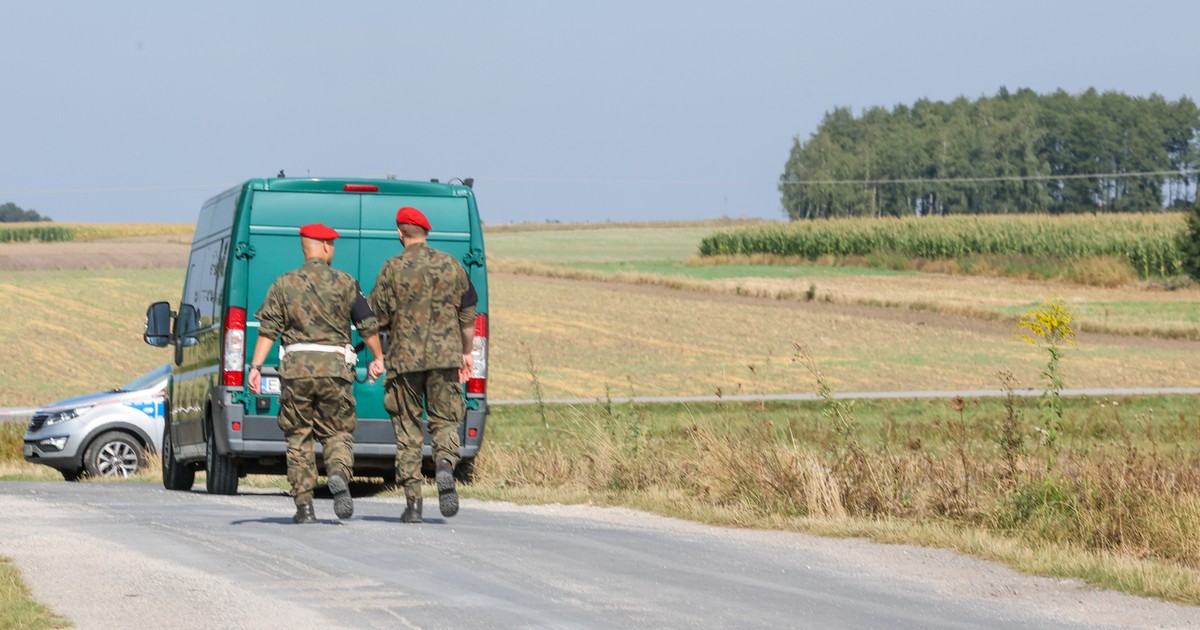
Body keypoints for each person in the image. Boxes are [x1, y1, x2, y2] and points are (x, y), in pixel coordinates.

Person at [247, 223, 386, 524]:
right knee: (337, 432)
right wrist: (377, 357)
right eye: (332, 244)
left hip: (296, 372)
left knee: (299, 438)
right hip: (335, 370)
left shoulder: (283, 283)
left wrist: (255, 367)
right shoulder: (346, 282)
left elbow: (268, 330)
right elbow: (367, 324)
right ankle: (337, 473)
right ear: (324, 246)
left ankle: (304, 508)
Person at [369, 206, 477, 523]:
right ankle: (444, 465)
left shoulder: (392, 268)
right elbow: (468, 315)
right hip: (445, 358)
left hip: (405, 360)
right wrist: (466, 351)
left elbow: (377, 316)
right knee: (444, 421)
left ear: (400, 233)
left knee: (408, 429)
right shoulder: (452, 266)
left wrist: (377, 348)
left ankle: (413, 505)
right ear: (426, 233)